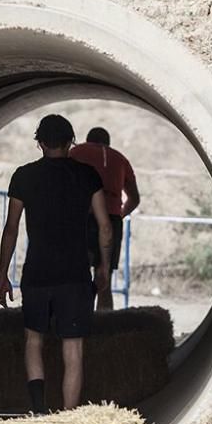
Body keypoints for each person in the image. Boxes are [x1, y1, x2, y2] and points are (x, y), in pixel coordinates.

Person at [0, 114, 114, 414]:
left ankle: (38, 410)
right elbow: (105, 227)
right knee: (73, 348)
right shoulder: (87, 176)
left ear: (39, 142)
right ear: (71, 141)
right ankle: (68, 418)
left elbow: (11, 229)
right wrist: (103, 267)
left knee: (33, 339)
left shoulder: (23, 176)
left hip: (37, 271)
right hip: (75, 273)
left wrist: (2, 275)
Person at [70, 127, 141, 310]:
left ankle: (77, 325)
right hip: (111, 219)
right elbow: (134, 199)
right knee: (104, 280)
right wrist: (119, 213)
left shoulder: (76, 152)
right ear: (108, 143)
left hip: (82, 218)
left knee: (77, 277)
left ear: (87, 140)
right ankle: (104, 330)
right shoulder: (121, 159)